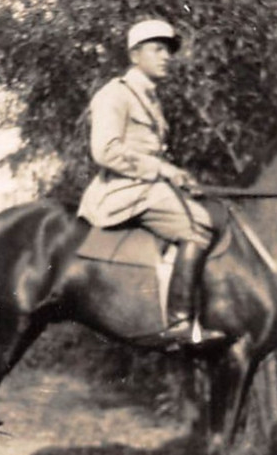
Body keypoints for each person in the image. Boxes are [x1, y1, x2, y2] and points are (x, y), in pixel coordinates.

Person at [77, 18, 225, 346]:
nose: (166, 57)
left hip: (146, 188)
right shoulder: (115, 94)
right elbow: (105, 150)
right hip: (121, 191)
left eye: (168, 51)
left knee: (213, 213)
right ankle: (179, 323)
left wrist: (175, 174)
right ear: (135, 55)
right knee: (199, 225)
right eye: (157, 50)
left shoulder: (151, 99)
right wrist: (162, 170)